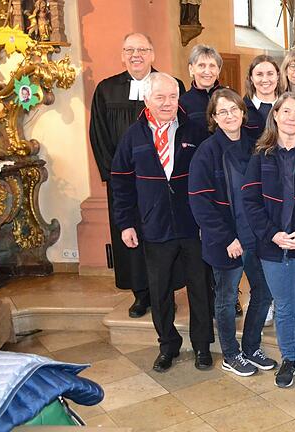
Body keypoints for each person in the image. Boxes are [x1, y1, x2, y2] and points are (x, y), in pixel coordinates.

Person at [110, 72, 213, 373]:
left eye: (172, 97)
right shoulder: (133, 137)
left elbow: (210, 180)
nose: (167, 103)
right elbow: (121, 183)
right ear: (147, 99)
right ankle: (168, 345)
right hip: (154, 226)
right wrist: (126, 223)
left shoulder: (196, 132)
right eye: (160, 97)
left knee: (199, 287)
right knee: (160, 290)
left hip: (193, 225)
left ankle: (202, 346)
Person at [90, 32, 186, 319]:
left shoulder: (171, 85)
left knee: (165, 239)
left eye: (142, 49)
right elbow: (99, 136)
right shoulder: (107, 90)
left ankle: (166, 292)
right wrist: (116, 176)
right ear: (122, 55)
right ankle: (140, 294)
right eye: (129, 50)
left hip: (163, 181)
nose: (136, 55)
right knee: (131, 238)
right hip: (127, 184)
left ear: (152, 54)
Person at [242, 92, 295, 390]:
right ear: (275, 116)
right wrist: (272, 234)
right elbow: (250, 201)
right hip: (271, 245)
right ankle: (288, 358)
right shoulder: (261, 155)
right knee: (282, 305)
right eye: (286, 111)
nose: (292, 118)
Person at [188, 89, 278, 377]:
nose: (229, 116)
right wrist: (227, 238)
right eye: (222, 111)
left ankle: (251, 347)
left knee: (263, 294)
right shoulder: (207, 152)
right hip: (227, 241)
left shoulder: (254, 146)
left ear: (243, 112)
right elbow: (200, 201)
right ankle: (230, 353)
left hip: (256, 238)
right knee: (227, 299)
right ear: (213, 118)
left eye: (234, 110)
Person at [180, 44, 223, 134]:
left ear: (218, 70)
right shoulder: (183, 102)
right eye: (201, 65)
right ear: (191, 69)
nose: (207, 71)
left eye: (212, 66)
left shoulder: (230, 96)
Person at [243, 55, 285, 144]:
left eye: (270, 74)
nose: (265, 79)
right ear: (251, 78)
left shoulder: (289, 105)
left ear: (277, 77)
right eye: (259, 74)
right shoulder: (241, 109)